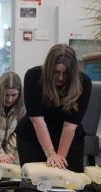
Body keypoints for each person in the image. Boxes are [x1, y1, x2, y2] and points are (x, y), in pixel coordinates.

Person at [16, 44, 92, 173]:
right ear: (49, 69)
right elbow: (37, 120)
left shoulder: (84, 82)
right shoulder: (33, 76)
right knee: (36, 182)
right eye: (56, 72)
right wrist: (51, 154)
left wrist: (60, 159)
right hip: (34, 137)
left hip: (69, 138)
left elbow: (70, 126)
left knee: (69, 184)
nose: (61, 77)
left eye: (65, 73)